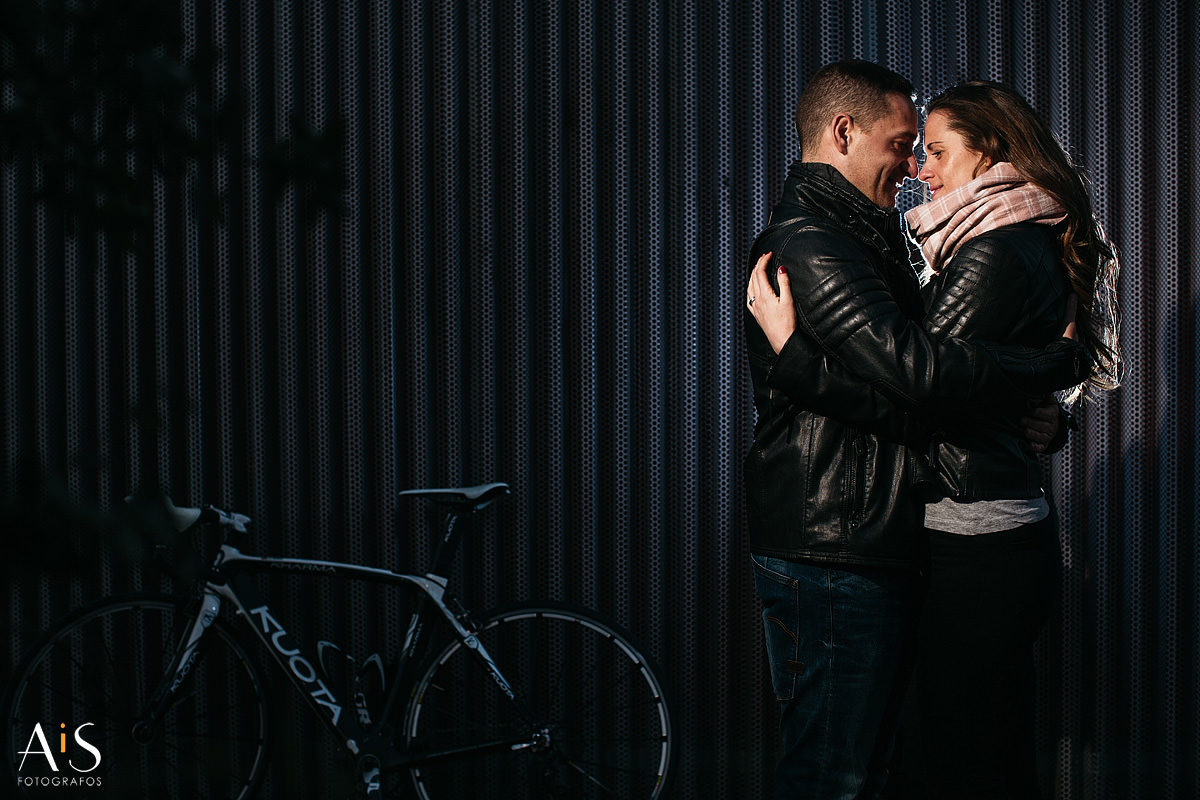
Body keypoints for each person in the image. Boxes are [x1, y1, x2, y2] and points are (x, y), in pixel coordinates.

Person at [747, 79, 1120, 799]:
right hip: (838, 540)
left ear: (991, 154)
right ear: (844, 133)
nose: (916, 167)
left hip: (918, 533)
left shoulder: (961, 243)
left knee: (921, 757)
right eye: (904, 145)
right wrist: (1049, 370)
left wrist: (1047, 391)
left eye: (932, 149)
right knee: (850, 767)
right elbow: (923, 382)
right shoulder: (822, 243)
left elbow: (928, 383)